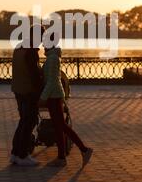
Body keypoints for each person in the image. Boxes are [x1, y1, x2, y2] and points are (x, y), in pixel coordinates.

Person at [40, 32, 93, 167]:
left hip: (54, 96)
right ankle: (62, 157)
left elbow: (52, 81)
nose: (43, 44)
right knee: (60, 126)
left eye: (45, 41)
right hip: (54, 95)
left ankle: (84, 150)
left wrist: (42, 98)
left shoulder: (52, 59)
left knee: (62, 126)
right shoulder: (53, 57)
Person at [10, 24, 44, 166]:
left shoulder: (19, 47)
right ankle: (23, 155)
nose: (42, 40)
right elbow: (34, 75)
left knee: (23, 121)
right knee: (29, 122)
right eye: (41, 37)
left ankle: (15, 153)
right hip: (28, 92)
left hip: (18, 89)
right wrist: (42, 90)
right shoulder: (30, 52)